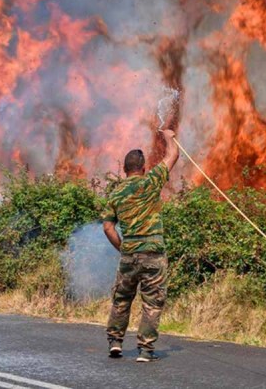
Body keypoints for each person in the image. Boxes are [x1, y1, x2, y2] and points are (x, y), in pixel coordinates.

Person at [101, 129, 179, 363]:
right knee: (152, 302)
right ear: (143, 168)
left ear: (125, 171)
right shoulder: (151, 182)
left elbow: (107, 228)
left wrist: (123, 247)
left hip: (129, 255)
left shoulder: (116, 194)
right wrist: (168, 136)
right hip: (153, 255)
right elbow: (173, 155)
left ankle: (115, 342)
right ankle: (145, 350)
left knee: (122, 299)